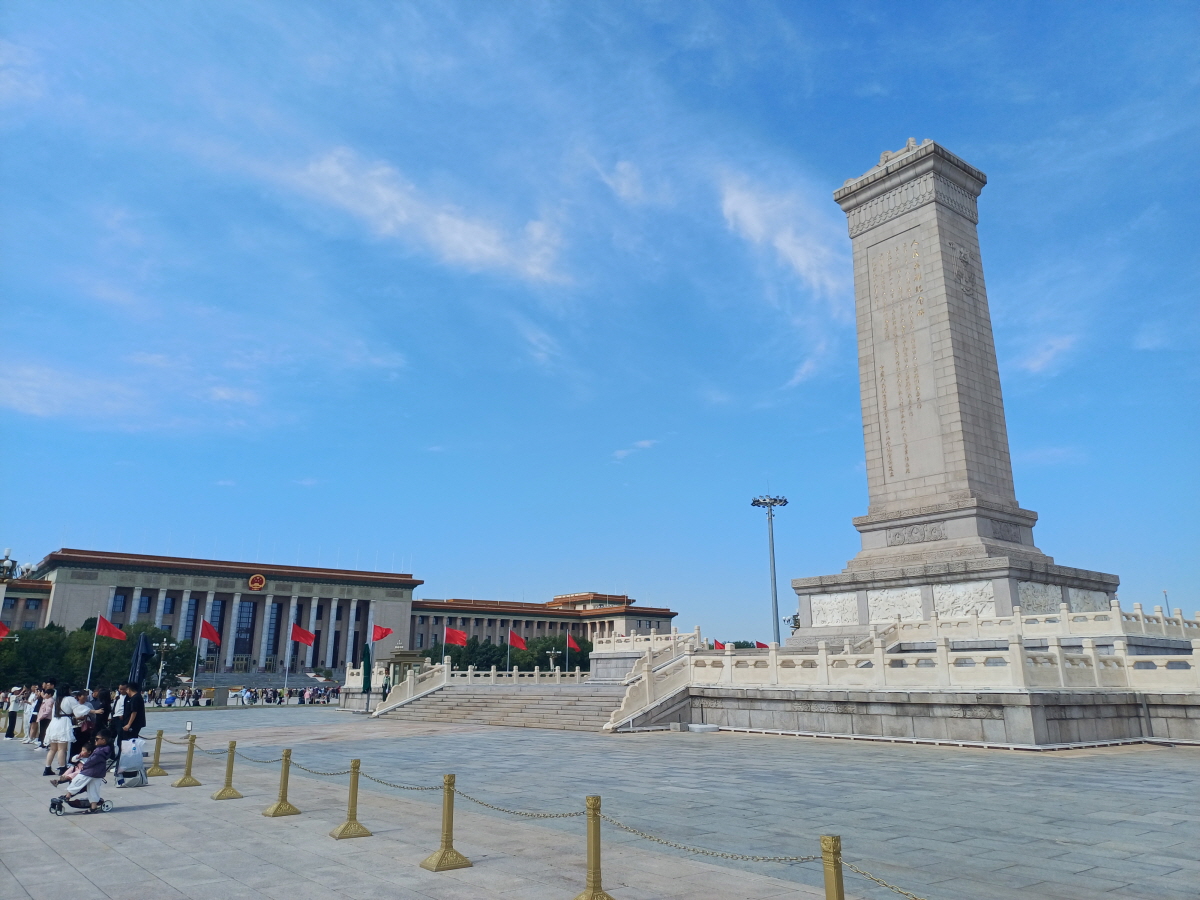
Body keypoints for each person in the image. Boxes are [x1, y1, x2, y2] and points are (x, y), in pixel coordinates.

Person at [62, 733, 112, 812]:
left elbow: (91, 761)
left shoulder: (99, 751)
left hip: (90, 771)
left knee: (77, 781)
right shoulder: (104, 750)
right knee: (93, 789)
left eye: (97, 739)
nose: (95, 740)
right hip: (98, 773)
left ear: (103, 740)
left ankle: (67, 796)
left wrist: (84, 766)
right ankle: (93, 807)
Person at [43, 691, 73, 776]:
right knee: (61, 749)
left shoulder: (56, 701)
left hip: (54, 724)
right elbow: (78, 709)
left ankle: (47, 768)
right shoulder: (69, 699)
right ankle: (62, 768)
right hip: (63, 724)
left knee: (52, 749)